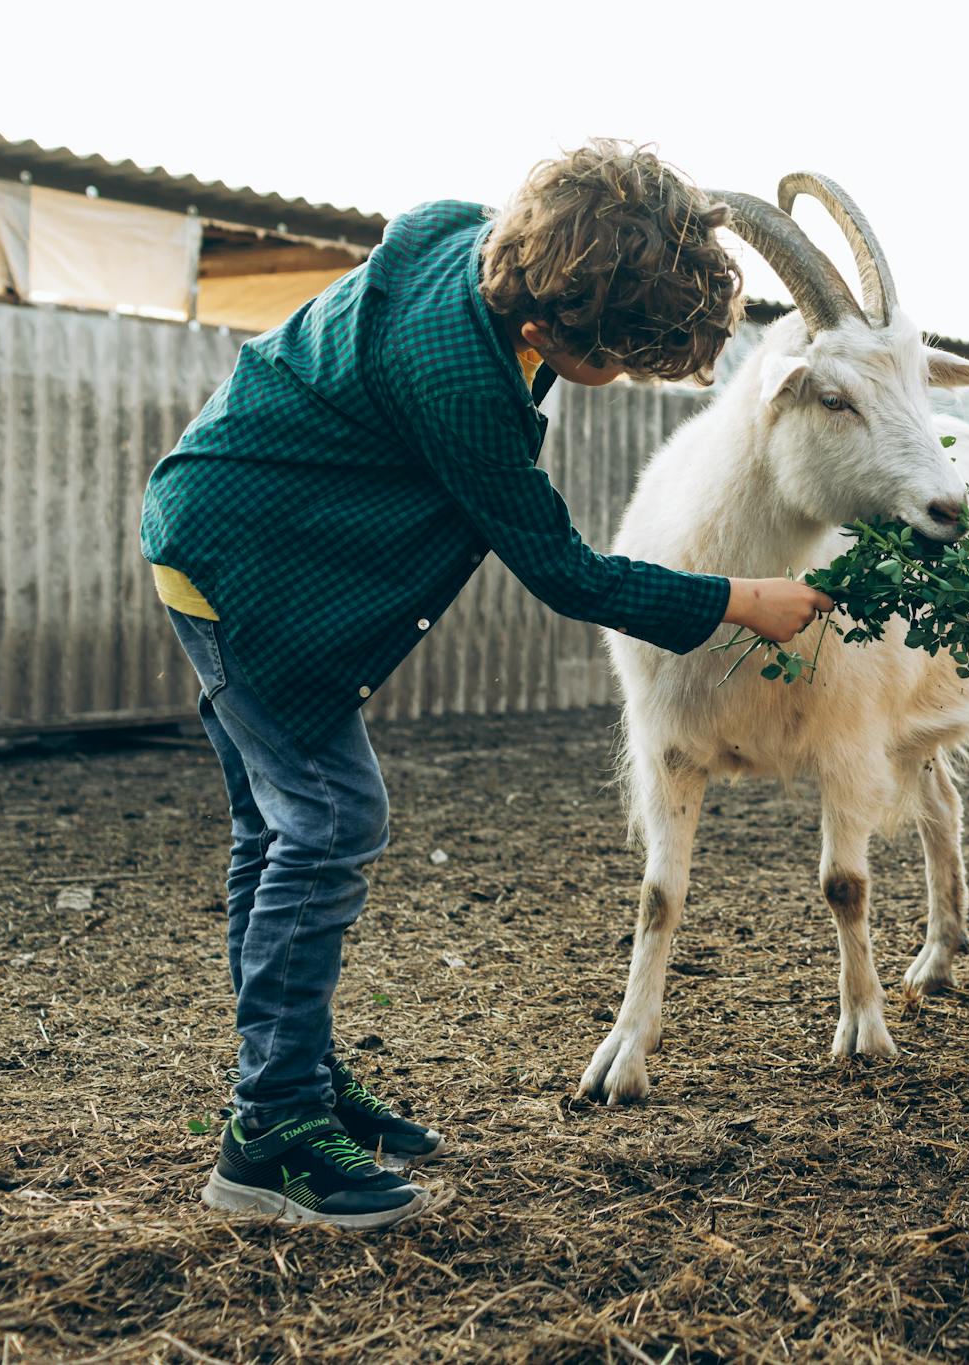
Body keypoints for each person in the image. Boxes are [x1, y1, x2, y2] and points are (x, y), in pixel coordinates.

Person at [141, 140, 831, 1228]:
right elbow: (561, 571)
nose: (619, 379)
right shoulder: (457, 374)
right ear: (546, 326)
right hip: (249, 574)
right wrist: (737, 600)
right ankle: (268, 1137)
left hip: (226, 527)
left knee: (276, 836)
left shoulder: (479, 249)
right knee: (327, 821)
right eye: (614, 358)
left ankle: (297, 1081)